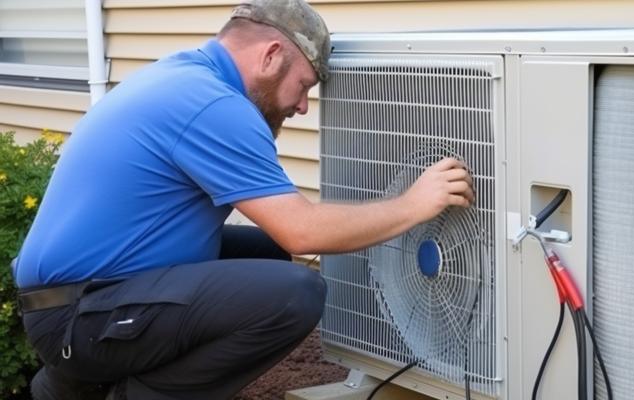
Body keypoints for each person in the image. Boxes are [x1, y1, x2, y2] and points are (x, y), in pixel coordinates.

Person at [13, 0, 474, 398]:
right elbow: (303, 229)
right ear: (271, 55)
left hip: (79, 294)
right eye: (304, 85)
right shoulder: (214, 107)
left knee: (270, 256)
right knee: (295, 293)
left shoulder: (183, 75)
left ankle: (67, 388)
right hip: (75, 314)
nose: (301, 107)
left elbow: (284, 237)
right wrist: (415, 204)